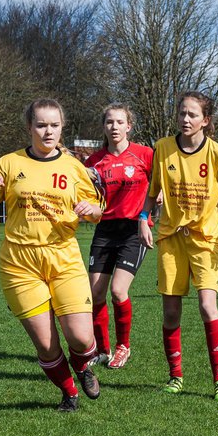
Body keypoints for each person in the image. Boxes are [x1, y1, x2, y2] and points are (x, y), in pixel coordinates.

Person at [0, 98, 103, 412]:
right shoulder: (9, 163)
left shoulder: (72, 166)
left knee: (81, 339)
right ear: (29, 127)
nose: (48, 131)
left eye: (54, 125)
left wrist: (92, 209)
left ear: (62, 127)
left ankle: (82, 366)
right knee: (45, 343)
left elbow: (97, 209)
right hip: (19, 263)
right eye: (41, 125)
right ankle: (70, 394)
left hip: (63, 258)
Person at [139, 92, 218, 403]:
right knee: (171, 312)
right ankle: (175, 377)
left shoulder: (217, 153)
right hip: (171, 238)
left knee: (206, 306)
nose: (185, 120)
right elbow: (153, 192)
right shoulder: (162, 149)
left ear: (206, 120)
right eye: (182, 113)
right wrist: (143, 218)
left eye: (192, 115)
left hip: (206, 239)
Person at [84, 103, 154, 370]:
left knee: (117, 290)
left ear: (129, 126)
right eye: (109, 122)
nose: (114, 127)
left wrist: (150, 211)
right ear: (104, 126)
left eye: (119, 122)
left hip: (133, 230)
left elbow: (159, 185)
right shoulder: (94, 162)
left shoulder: (145, 155)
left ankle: (123, 346)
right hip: (104, 230)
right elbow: (87, 195)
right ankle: (102, 350)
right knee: (96, 293)